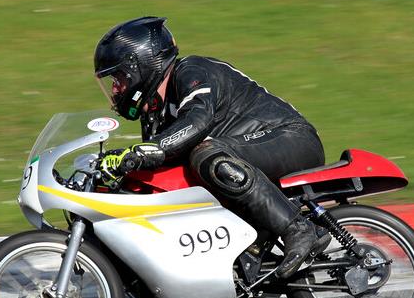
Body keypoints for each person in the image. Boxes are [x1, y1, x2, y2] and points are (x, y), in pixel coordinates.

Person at [93, 16, 329, 279]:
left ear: (142, 66)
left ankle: (298, 229)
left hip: (291, 139)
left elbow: (198, 120)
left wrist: (139, 154)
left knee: (207, 155)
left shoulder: (191, 71)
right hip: (242, 154)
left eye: (119, 77)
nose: (116, 88)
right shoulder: (155, 116)